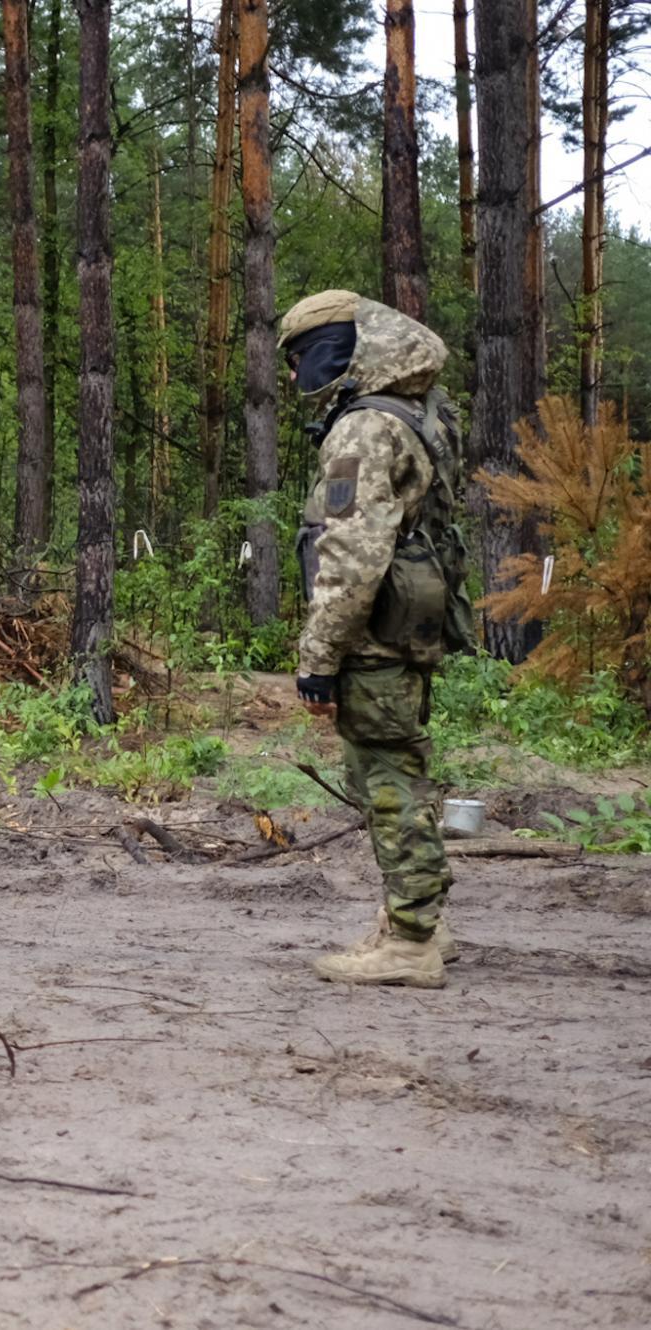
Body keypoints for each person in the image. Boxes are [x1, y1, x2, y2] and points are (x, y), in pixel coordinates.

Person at [280, 290, 472, 989]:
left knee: (387, 780)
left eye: (301, 356)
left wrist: (318, 655)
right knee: (403, 772)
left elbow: (353, 556)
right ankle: (421, 920)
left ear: (342, 348)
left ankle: (413, 943)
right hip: (410, 625)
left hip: (376, 634)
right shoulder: (422, 409)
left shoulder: (363, 430)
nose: (298, 373)